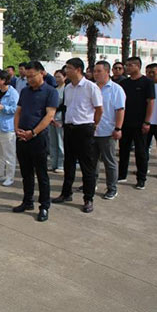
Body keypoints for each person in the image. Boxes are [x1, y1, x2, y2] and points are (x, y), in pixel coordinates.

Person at [52, 58, 103, 213]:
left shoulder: (91, 87)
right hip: (69, 128)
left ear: (78, 69)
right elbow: (67, 108)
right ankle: (66, 193)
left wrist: (93, 125)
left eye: (69, 68)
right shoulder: (68, 88)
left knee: (87, 166)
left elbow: (99, 109)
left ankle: (88, 198)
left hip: (84, 129)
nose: (66, 70)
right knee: (69, 163)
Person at [12, 61, 59, 222]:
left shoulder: (50, 92)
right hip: (22, 136)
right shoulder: (25, 91)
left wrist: (33, 133)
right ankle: (27, 201)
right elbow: (18, 112)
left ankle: (44, 206)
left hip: (38, 138)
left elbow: (49, 116)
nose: (29, 80)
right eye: (27, 77)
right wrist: (17, 129)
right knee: (26, 173)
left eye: (32, 76)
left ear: (42, 73)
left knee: (41, 174)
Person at [118, 57, 155, 190]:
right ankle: (121, 175)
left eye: (130, 65)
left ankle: (141, 179)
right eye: (126, 65)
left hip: (140, 123)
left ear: (138, 66)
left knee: (140, 152)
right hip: (125, 123)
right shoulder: (124, 83)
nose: (127, 67)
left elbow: (150, 102)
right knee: (123, 150)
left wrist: (147, 121)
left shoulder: (147, 82)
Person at [92, 61, 126, 200]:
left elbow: (120, 110)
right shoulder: (92, 87)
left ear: (107, 72)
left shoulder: (116, 89)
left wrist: (118, 128)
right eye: (94, 71)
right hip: (92, 130)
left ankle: (112, 188)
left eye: (99, 71)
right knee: (92, 161)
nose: (96, 74)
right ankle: (91, 184)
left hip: (108, 131)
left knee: (109, 161)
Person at [0, 70, 19, 186]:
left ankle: (10, 176)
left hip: (7, 126)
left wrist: (3, 108)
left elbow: (15, 109)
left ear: (4, 80)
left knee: (9, 153)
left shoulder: (13, 93)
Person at [48, 69, 66, 173]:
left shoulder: (66, 89)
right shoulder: (54, 89)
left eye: (59, 77)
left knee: (60, 142)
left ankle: (61, 164)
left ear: (65, 77)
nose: (57, 79)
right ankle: (53, 163)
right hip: (51, 117)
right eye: (56, 77)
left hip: (60, 118)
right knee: (52, 142)